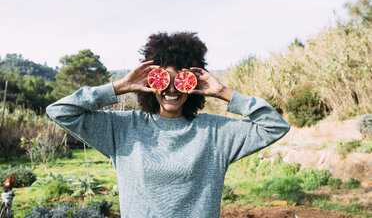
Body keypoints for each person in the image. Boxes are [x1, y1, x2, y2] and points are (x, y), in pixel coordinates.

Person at [46, 32, 290, 218]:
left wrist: (223, 92)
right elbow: (60, 111)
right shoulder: (122, 129)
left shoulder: (216, 133)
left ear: (192, 85)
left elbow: (275, 126)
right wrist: (120, 86)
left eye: (180, 80)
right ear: (150, 84)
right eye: (162, 79)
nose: (171, 89)